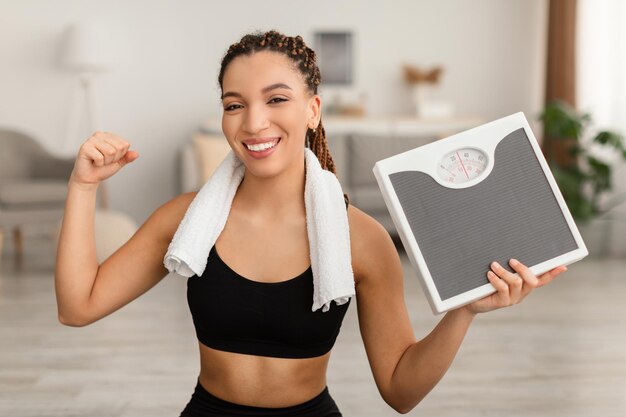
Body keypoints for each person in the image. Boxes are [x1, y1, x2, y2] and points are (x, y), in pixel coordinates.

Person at [55, 30, 567, 416]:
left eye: (276, 99)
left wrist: (464, 312)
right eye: (235, 105)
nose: (254, 122)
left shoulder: (362, 239)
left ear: (313, 109)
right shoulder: (187, 219)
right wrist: (82, 187)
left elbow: (400, 390)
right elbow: (78, 307)